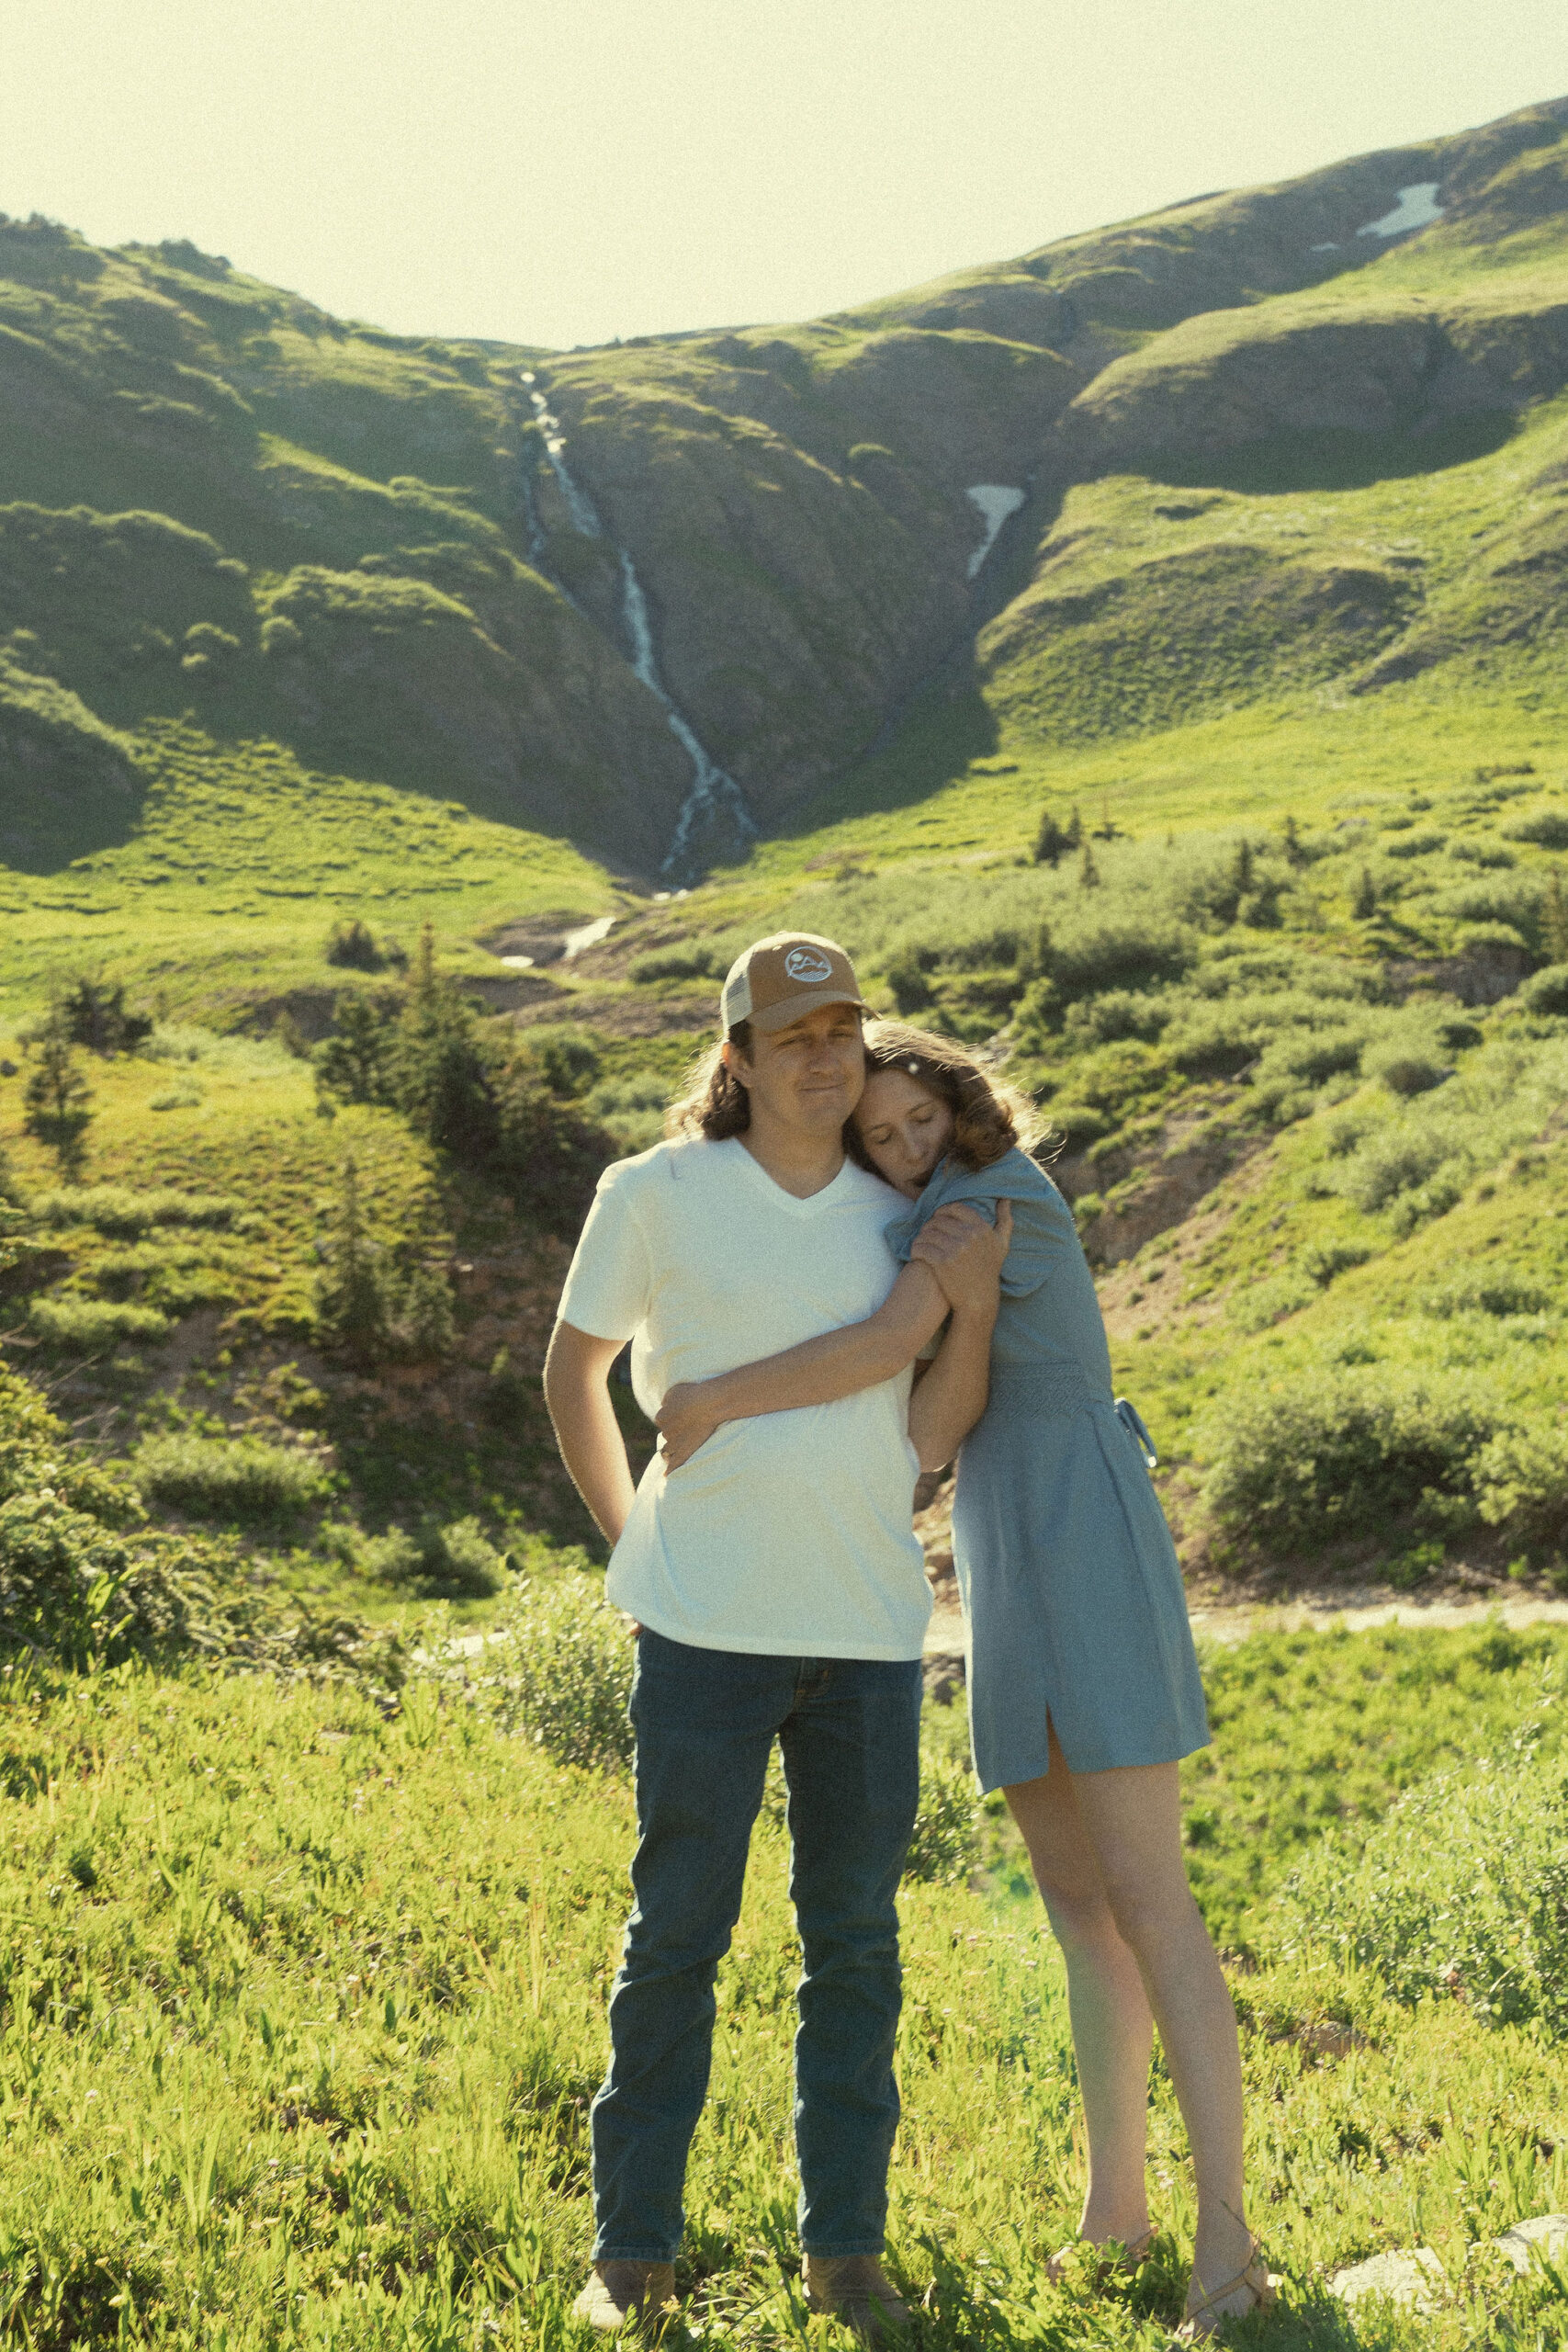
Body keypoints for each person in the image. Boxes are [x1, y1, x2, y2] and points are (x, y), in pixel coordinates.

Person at [656, 1021, 1273, 2340]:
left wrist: (708, 1398)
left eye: (917, 1119)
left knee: (1153, 1903)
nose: (903, 1147)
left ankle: (1232, 2251)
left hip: (1084, 1543)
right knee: (1073, 1901)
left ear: (957, 1096)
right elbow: (925, 1431)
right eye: (877, 1137)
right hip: (1005, 1549)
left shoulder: (980, 1204)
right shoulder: (926, 1215)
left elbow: (886, 1350)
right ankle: (1121, 2215)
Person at [544, 941, 1010, 2339]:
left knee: (857, 1949)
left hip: (868, 1630)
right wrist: (635, 1540)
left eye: (845, 1032)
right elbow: (576, 1369)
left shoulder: (900, 1211)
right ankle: (630, 2256)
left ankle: (846, 2257)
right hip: (705, 1629)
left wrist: (967, 1301)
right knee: (677, 1935)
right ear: (735, 1055)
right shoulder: (656, 1193)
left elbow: (933, 1430)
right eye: (791, 1034)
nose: (823, 1057)